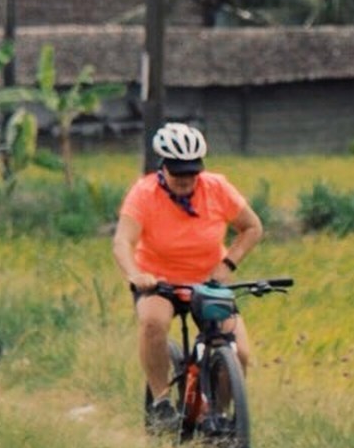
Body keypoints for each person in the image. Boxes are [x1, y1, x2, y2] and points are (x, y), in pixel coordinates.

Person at [111, 122, 265, 431]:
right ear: (163, 167)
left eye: (191, 172)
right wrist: (136, 274)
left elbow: (252, 227)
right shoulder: (144, 193)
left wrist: (226, 268)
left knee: (240, 353)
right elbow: (122, 242)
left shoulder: (217, 188)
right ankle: (161, 401)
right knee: (154, 323)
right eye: (178, 172)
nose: (185, 180)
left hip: (208, 283)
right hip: (159, 281)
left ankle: (218, 418)